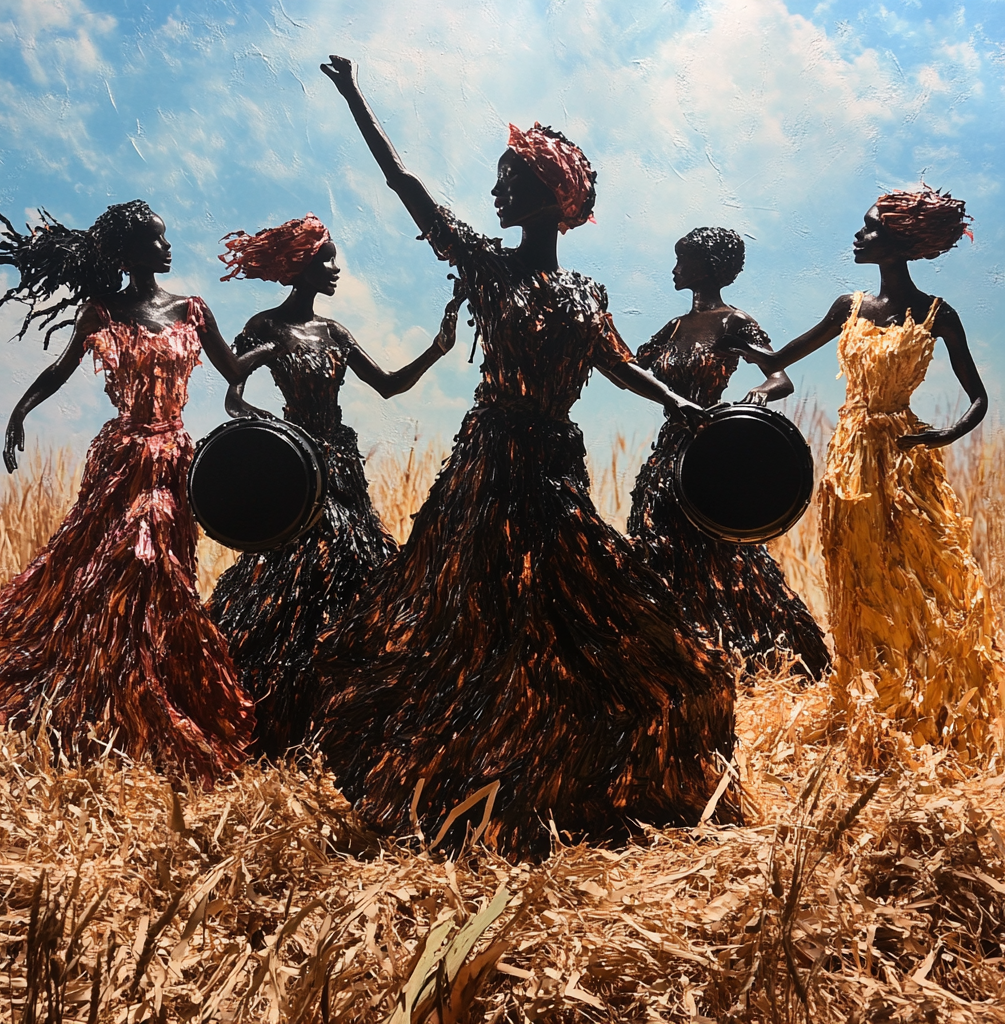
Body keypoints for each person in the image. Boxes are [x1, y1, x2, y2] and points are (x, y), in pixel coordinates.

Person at [308, 56, 739, 860]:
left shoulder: (584, 293)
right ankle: (457, 778)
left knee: (575, 614)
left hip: (549, 469)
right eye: (497, 180)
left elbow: (619, 365)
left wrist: (685, 406)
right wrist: (354, 97)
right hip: (484, 469)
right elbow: (406, 187)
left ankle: (562, 774)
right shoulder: (485, 265)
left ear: (548, 196)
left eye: (510, 180)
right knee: (463, 617)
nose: (496, 193)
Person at [0, 200, 262, 782]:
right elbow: (61, 370)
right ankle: (113, 695)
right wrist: (19, 413)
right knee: (120, 565)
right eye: (155, 241)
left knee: (162, 577)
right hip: (122, 459)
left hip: (174, 459)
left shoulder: (192, 310)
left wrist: (276, 350)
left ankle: (147, 696)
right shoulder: (103, 311)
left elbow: (234, 372)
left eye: (164, 239)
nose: (166, 247)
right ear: (131, 252)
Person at [725, 187, 1004, 757]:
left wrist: (942, 435)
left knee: (920, 577)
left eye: (870, 228)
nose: (859, 236)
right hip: (851, 460)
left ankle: (935, 702)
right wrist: (738, 338)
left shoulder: (935, 313)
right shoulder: (846, 307)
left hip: (905, 459)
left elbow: (976, 398)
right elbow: (779, 361)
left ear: (900, 242)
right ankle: (868, 703)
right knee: (858, 574)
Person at [207, 213, 463, 757]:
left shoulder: (335, 333)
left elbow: (390, 386)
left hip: (340, 469)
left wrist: (439, 348)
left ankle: (347, 713)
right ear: (299, 266)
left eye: (334, 259)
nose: (335, 269)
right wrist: (271, 430)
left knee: (359, 571)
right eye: (325, 259)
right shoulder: (266, 328)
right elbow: (234, 395)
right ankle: (276, 708)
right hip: (296, 473)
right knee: (291, 584)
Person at [628, 227, 830, 681]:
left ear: (709, 267)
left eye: (684, 260)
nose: (675, 269)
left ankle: (767, 655)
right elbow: (630, 368)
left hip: (708, 448)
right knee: (660, 546)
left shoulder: (732, 322)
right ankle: (681, 655)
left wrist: (758, 393)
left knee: (719, 553)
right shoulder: (674, 326)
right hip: (668, 453)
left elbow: (780, 376)